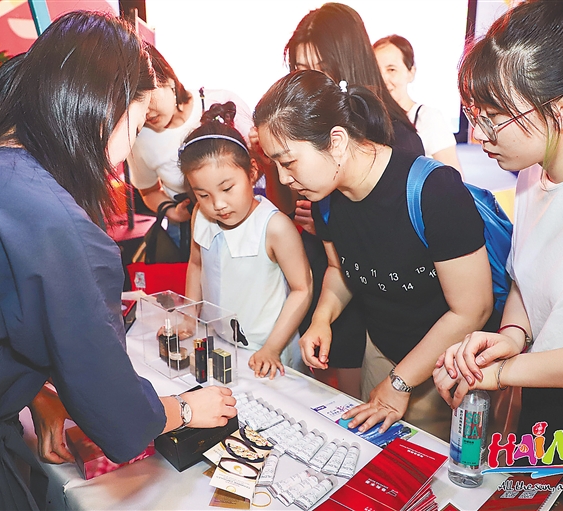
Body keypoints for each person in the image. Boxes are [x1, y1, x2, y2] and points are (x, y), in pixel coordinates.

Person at [0, 12, 236, 510]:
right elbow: (118, 415)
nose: (126, 151)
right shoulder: (53, 222)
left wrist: (36, 393)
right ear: (104, 111)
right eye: (135, 126)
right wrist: (186, 408)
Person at [432, 2, 563, 509]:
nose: (478, 135)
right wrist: (511, 337)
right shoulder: (532, 173)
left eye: (494, 118)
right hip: (545, 396)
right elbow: (527, 281)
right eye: (475, 116)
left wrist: (505, 372)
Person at [254, 70, 497, 438]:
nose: (284, 178)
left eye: (287, 162)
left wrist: (400, 381)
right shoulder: (326, 197)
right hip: (381, 351)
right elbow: (340, 268)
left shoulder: (434, 190)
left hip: (445, 364)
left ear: (336, 141)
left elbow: (472, 309)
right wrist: (322, 318)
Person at [277, 2, 425, 398]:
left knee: (364, 401)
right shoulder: (311, 133)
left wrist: (338, 226)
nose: (310, 80)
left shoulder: (396, 138)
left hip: (380, 301)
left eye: (322, 67)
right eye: (300, 69)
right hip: (334, 274)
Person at [180, 102, 312, 379]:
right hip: (221, 341)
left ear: (252, 172)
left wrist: (272, 348)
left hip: (267, 350)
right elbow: (196, 264)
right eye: (203, 195)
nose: (217, 204)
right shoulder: (200, 215)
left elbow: (302, 288)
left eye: (227, 188)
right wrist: (189, 316)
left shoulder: (274, 226)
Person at [127, 45, 260, 248]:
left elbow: (258, 161)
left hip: (244, 217)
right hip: (188, 229)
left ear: (168, 80)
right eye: (133, 104)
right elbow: (149, 191)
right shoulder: (139, 140)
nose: (145, 112)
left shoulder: (221, 102)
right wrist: (173, 212)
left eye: (147, 97)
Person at [373, 35, 464, 174]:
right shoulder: (370, 120)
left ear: (411, 72)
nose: (383, 79)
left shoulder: (428, 118)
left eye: (391, 70)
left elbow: (455, 178)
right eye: (376, 71)